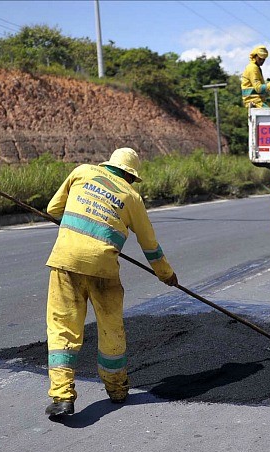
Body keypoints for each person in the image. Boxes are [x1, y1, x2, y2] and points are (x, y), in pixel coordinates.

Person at [43, 147, 178, 417]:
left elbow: (53, 209)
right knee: (111, 329)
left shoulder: (81, 172)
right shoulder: (132, 196)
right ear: (130, 175)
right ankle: (117, 390)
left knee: (62, 330)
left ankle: (62, 396)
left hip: (65, 261)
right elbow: (149, 245)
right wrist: (166, 274)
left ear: (109, 165)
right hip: (103, 269)